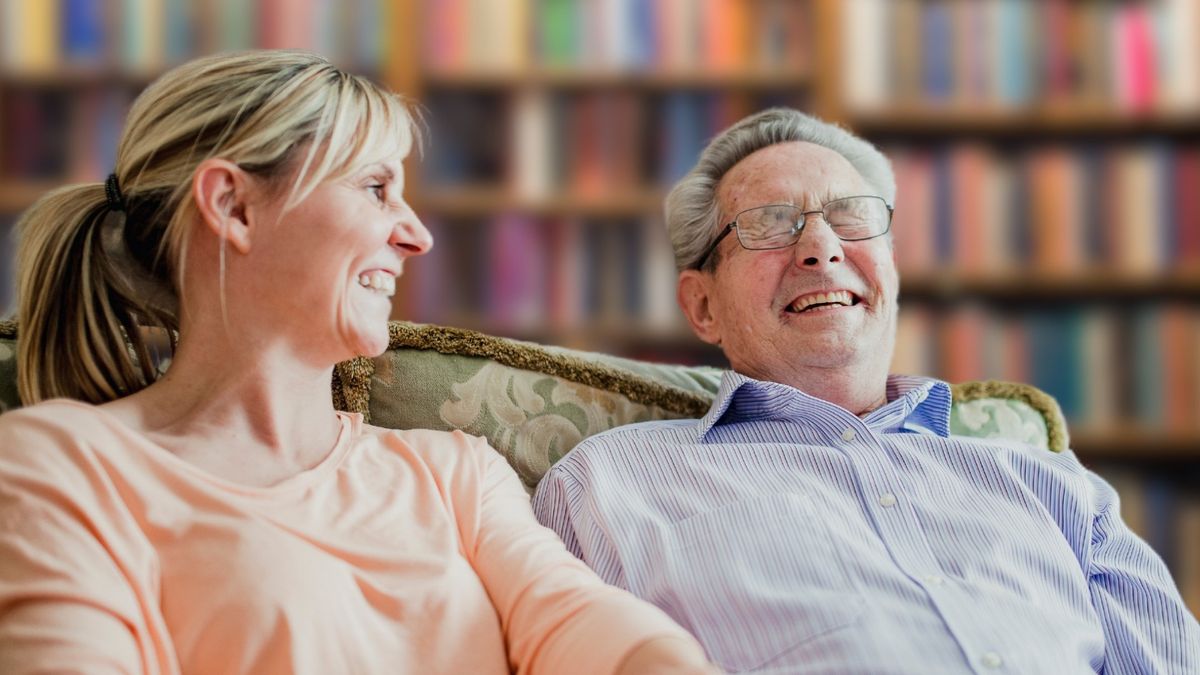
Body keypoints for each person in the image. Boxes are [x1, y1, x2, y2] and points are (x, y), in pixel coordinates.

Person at [0, 50, 715, 675]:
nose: (418, 235)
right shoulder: (58, 466)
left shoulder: (453, 471)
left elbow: (577, 619)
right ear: (234, 206)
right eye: (376, 188)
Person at [533, 107, 1200, 673]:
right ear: (702, 304)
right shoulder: (605, 487)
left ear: (892, 268)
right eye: (769, 221)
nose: (821, 248)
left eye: (852, 216)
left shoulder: (1057, 489)